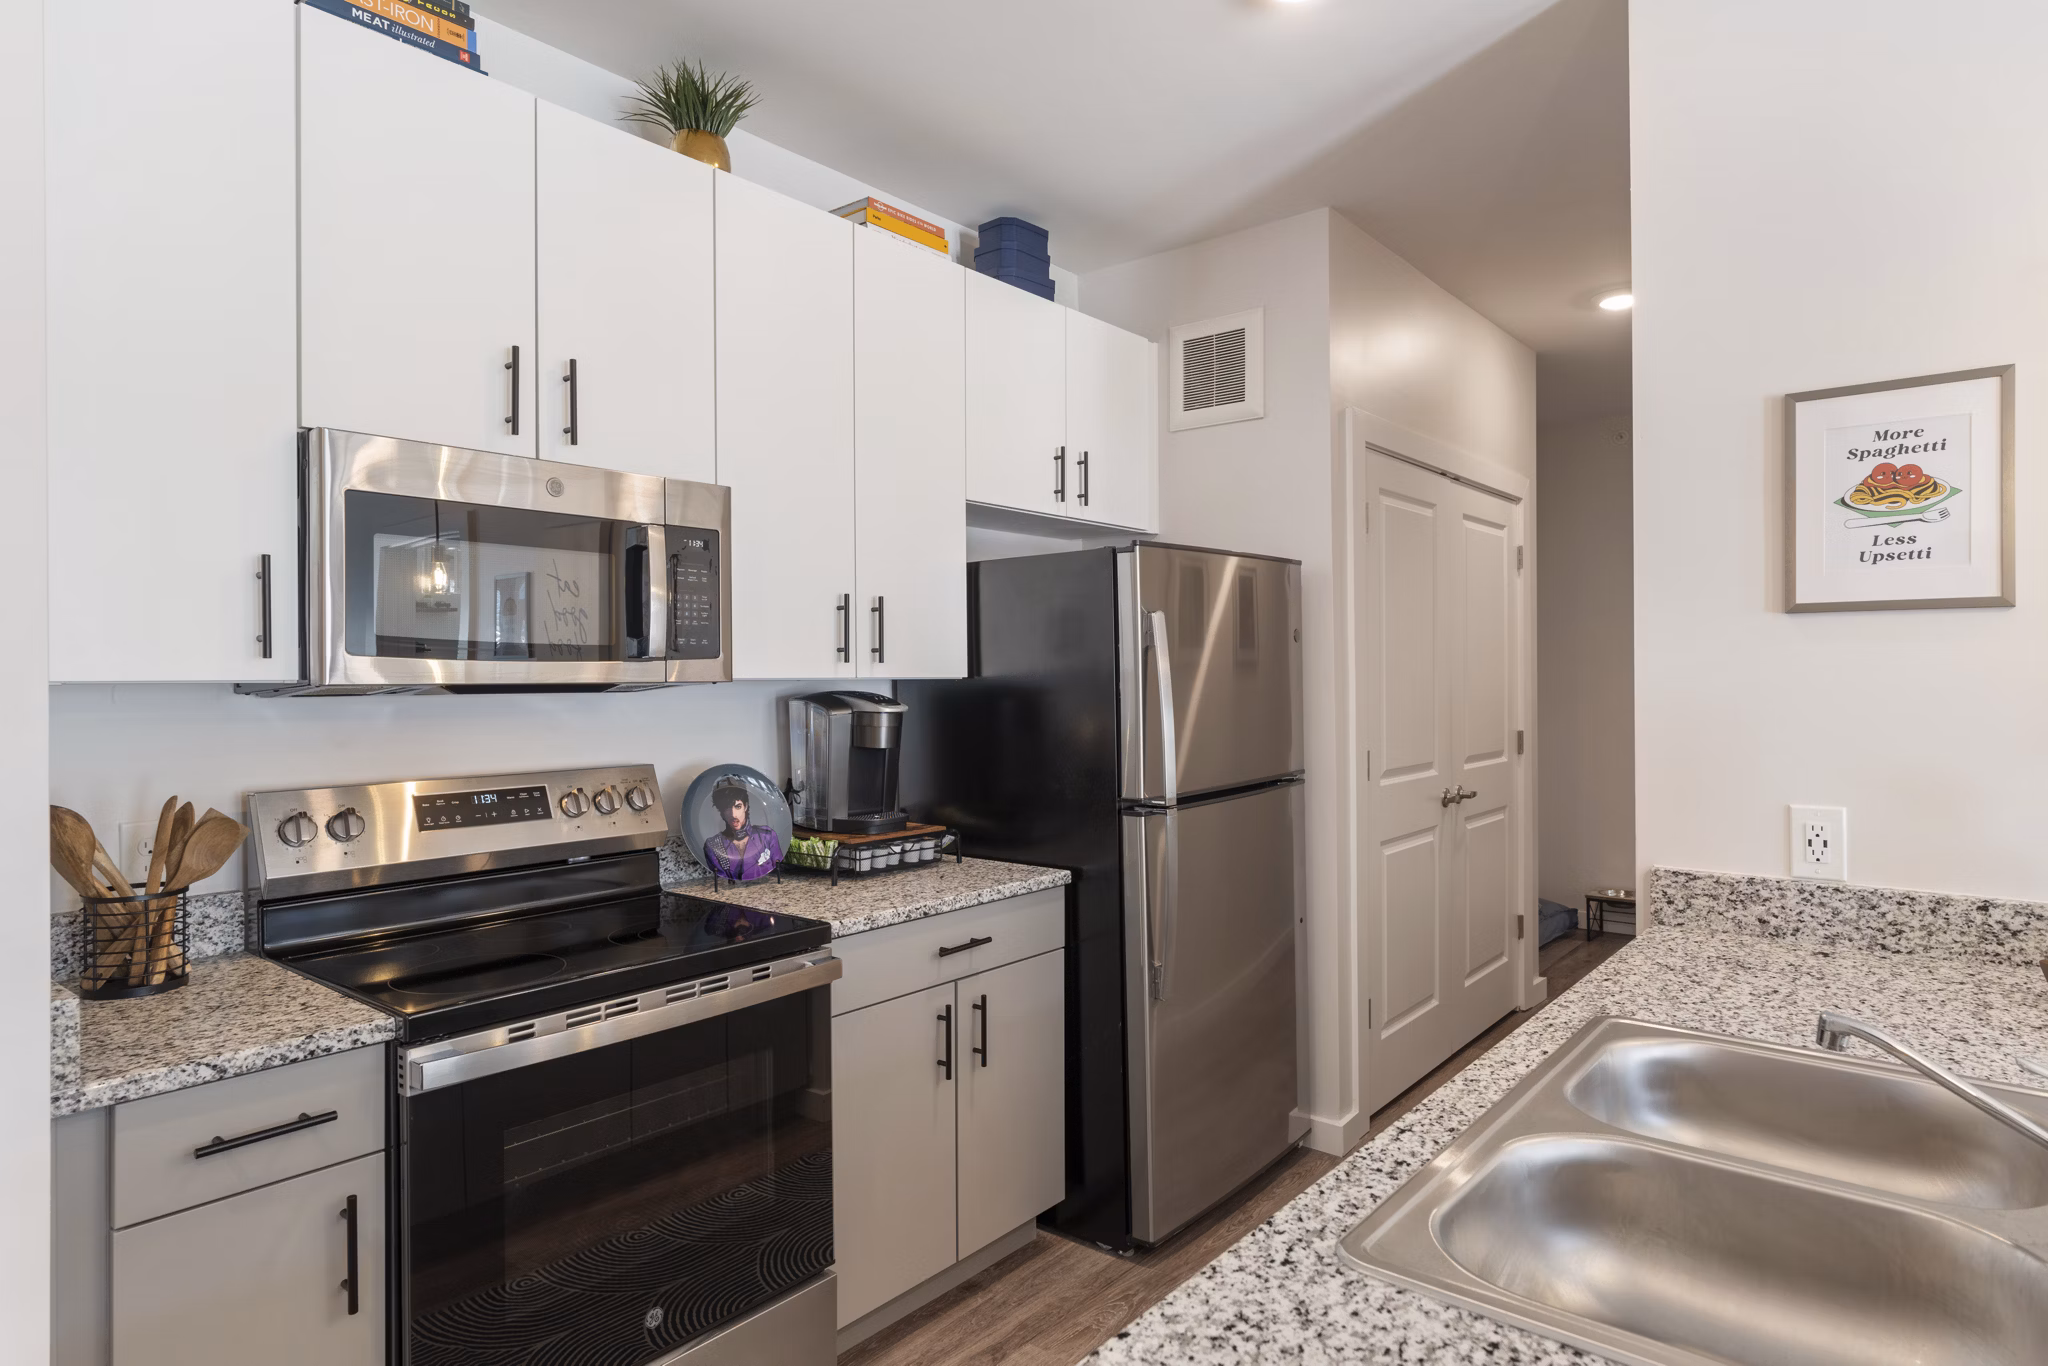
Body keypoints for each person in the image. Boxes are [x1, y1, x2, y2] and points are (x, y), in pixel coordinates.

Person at [702, 777, 783, 883]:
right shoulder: (713, 845)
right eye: (727, 808)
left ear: (746, 806)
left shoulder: (767, 836)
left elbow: (778, 868)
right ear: (721, 811)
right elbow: (722, 878)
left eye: (738, 806)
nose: (733, 815)